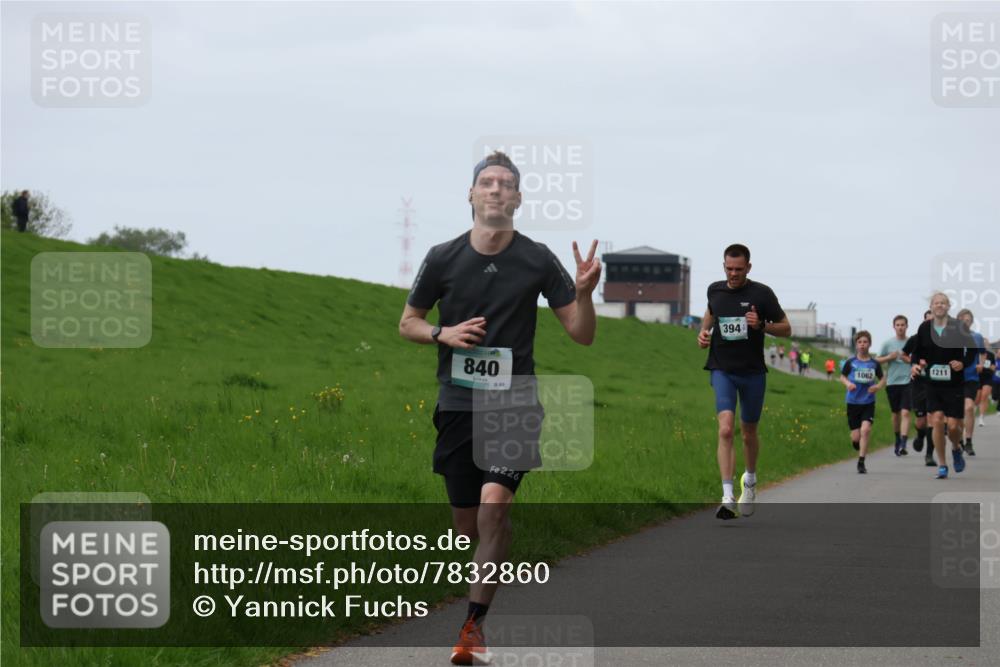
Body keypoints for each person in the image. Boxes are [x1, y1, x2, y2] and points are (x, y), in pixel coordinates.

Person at [399, 151, 601, 665]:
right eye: (486, 183)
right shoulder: (443, 256)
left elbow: (581, 335)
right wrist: (444, 333)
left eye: (505, 184)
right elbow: (409, 323)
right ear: (470, 195)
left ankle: (472, 628)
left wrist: (584, 294)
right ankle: (493, 552)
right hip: (457, 403)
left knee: (495, 506)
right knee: (468, 528)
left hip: (513, 401)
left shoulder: (536, 258)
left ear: (518, 199)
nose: (495, 190)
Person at [697, 243, 791, 520]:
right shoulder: (715, 289)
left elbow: (786, 329)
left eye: (739, 269)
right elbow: (711, 313)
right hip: (722, 369)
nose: (733, 274)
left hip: (752, 372)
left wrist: (762, 325)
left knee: (748, 432)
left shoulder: (762, 294)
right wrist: (703, 333)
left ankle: (749, 481)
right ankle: (727, 495)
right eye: (729, 268)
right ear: (723, 266)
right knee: (725, 429)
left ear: (748, 267)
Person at [908, 293, 977, 479]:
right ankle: (942, 464)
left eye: (943, 303)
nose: (939, 306)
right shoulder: (924, 328)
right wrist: (915, 364)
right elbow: (916, 352)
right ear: (931, 306)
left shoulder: (958, 326)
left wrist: (962, 363)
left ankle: (955, 448)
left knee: (954, 427)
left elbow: (972, 350)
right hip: (932, 383)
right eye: (936, 303)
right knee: (937, 419)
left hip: (954, 384)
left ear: (948, 306)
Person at [840, 331, 886, 474]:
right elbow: (842, 376)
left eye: (865, 342)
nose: (862, 345)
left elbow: (883, 378)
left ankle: (861, 462)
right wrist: (848, 384)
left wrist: (877, 386)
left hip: (868, 402)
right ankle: (857, 443)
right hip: (853, 402)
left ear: (869, 344)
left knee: (866, 430)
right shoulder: (851, 362)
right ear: (856, 344)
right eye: (860, 342)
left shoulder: (874, 364)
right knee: (856, 437)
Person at [876, 315, 913, 456]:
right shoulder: (887, 343)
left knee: (905, 412)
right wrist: (889, 358)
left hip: (908, 382)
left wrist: (907, 359)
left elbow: (917, 361)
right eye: (898, 325)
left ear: (907, 326)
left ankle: (904, 443)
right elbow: (877, 360)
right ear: (894, 327)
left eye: (903, 325)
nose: (900, 327)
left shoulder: (912, 342)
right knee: (896, 414)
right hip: (892, 382)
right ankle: (897, 438)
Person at [904, 310, 935, 466]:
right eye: (928, 321)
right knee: (921, 421)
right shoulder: (915, 339)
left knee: (932, 419)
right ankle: (920, 435)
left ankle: (929, 455)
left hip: (935, 383)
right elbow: (905, 354)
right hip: (918, 384)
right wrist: (913, 365)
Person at [956, 309, 985, 456]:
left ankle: (968, 441)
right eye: (962, 320)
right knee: (958, 413)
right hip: (955, 379)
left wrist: (981, 364)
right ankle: (959, 440)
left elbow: (983, 353)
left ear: (971, 322)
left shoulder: (977, 337)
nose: (965, 323)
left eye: (967, 320)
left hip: (971, 377)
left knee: (968, 408)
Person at [977, 344, 995, 427]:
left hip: (988, 377)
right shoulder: (975, 354)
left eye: (985, 343)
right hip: (978, 377)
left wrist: (988, 365)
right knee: (977, 398)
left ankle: (981, 417)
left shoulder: (991, 355)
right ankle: (973, 412)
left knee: (984, 396)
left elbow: (994, 367)